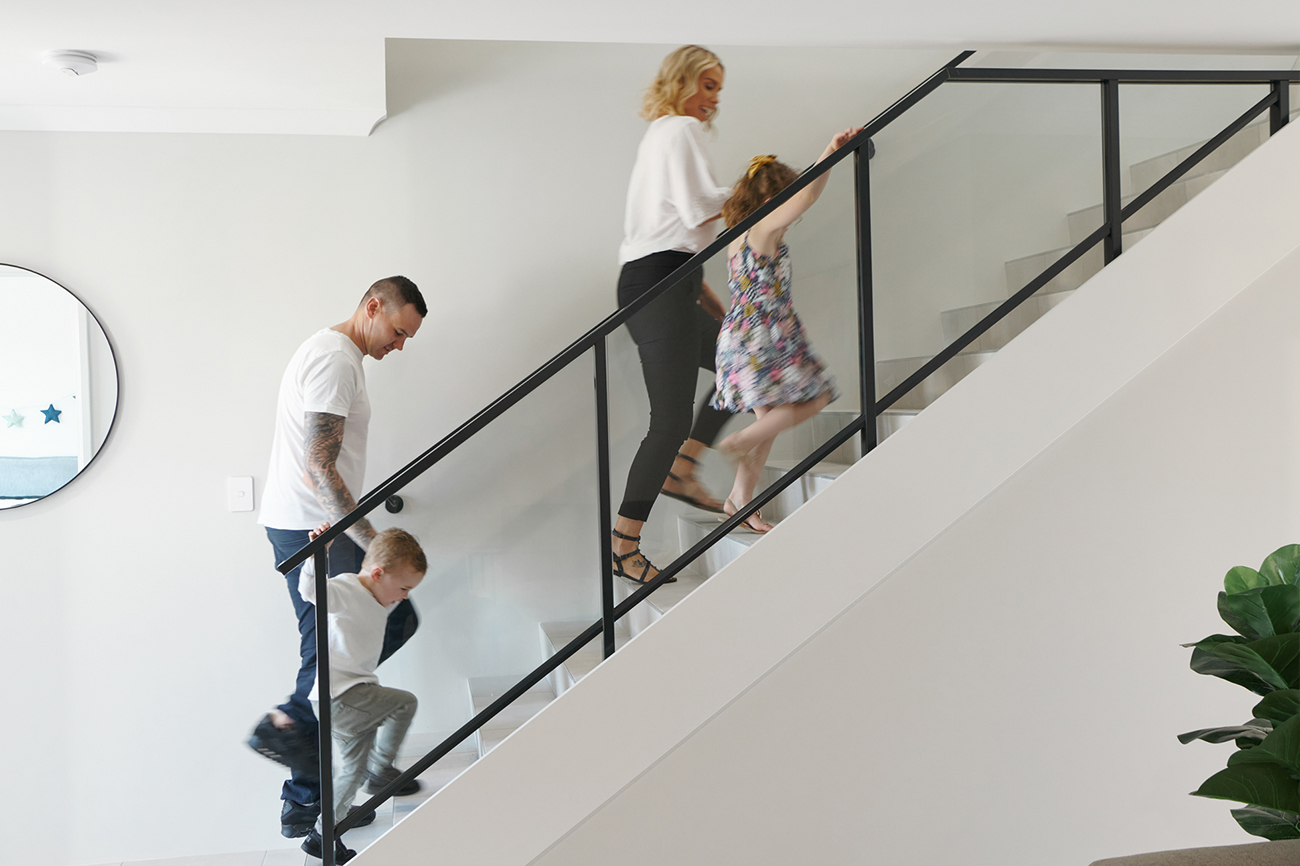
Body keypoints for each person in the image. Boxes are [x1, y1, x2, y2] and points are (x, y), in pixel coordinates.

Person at [249, 276, 426, 839]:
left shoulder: (334, 353)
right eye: (398, 331)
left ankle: (332, 755)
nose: (398, 346)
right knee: (331, 651)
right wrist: (368, 537)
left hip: (313, 522)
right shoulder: (336, 359)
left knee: (369, 631)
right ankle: (303, 785)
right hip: (316, 527)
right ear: (372, 307)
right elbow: (320, 463)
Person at [612, 44, 737, 585]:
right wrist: (760, 186)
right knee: (668, 421)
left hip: (668, 280)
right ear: (682, 82)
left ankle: (684, 468)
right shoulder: (678, 130)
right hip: (659, 282)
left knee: (742, 362)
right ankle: (623, 545)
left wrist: (706, 298)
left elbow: (674, 233)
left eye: (718, 90)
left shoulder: (660, 135)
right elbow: (697, 208)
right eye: (707, 86)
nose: (713, 100)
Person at [711, 129, 862, 531]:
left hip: (738, 336)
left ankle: (740, 502)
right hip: (765, 334)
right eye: (784, 199)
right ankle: (739, 443)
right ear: (768, 200)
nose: (793, 211)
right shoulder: (763, 228)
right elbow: (807, 197)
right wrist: (831, 152)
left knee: (770, 424)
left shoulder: (735, 239)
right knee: (817, 396)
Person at [294, 523, 427, 863]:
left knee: (350, 774)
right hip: (340, 695)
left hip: (351, 695)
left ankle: (323, 836)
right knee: (404, 703)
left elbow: (392, 557)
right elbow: (311, 591)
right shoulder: (346, 589)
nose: (405, 596)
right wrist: (318, 552)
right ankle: (381, 771)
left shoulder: (378, 597)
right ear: (378, 573)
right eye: (403, 587)